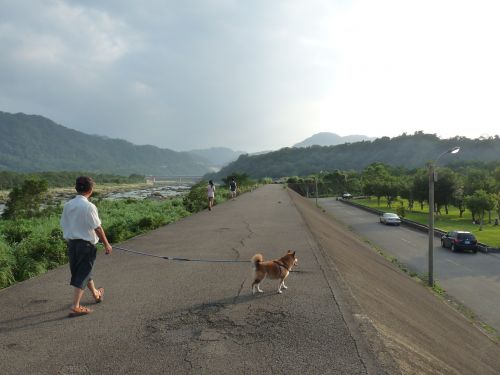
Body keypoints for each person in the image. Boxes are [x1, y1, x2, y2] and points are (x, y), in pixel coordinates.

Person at [60, 176, 112, 317]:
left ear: (77, 188)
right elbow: (98, 228)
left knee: (83, 271)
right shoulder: (89, 206)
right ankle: (76, 306)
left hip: (72, 245)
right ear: (91, 190)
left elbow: (64, 225)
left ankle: (96, 294)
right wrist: (107, 244)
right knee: (83, 273)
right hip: (86, 246)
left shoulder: (68, 205)